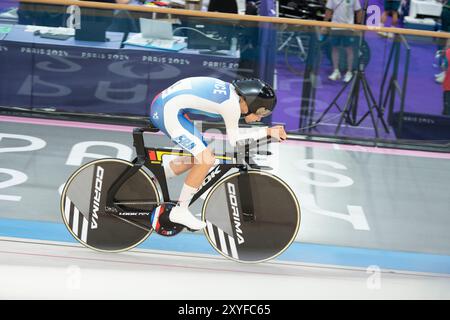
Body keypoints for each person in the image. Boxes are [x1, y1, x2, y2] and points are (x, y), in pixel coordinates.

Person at [149, 77, 286, 230]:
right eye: (260, 112)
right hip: (166, 110)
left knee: (201, 156)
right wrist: (266, 131)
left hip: (166, 105)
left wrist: (265, 131)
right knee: (206, 159)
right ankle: (180, 211)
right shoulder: (231, 105)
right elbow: (235, 140)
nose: (260, 117)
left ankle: (150, 183)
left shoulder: (231, 94)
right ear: (249, 102)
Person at [323, 0, 363, 83]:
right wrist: (325, 25)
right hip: (335, 27)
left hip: (348, 28)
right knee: (334, 48)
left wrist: (358, 25)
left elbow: (358, 11)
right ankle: (336, 71)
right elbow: (329, 10)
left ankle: (349, 72)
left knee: (349, 49)